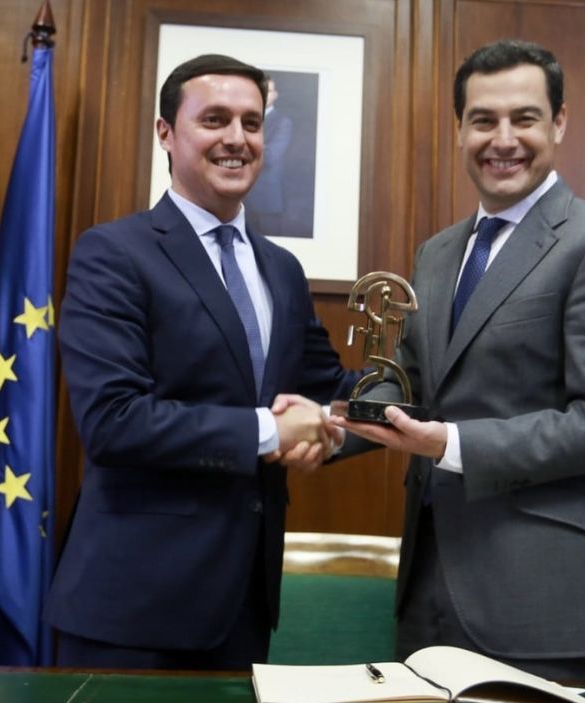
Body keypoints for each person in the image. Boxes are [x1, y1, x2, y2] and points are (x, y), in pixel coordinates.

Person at [330, 39, 585, 681]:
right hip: (428, 586)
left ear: (559, 123)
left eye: (524, 118)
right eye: (483, 119)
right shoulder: (436, 254)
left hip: (536, 596)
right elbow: (410, 388)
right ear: (459, 129)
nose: (502, 138)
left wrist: (449, 444)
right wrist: (325, 425)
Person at [42, 54, 353, 671]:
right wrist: (270, 431)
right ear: (166, 133)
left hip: (244, 611)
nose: (237, 139)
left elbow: (329, 391)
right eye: (214, 119)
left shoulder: (282, 271)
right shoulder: (113, 253)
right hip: (131, 615)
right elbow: (113, 420)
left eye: (251, 122)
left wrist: (424, 384)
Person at [244, 78, 292, 236]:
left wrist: (241, 149)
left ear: (276, 95)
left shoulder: (282, 123)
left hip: (267, 199)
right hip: (241, 199)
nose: (264, 94)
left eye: (269, 90)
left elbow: (270, 156)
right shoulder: (242, 121)